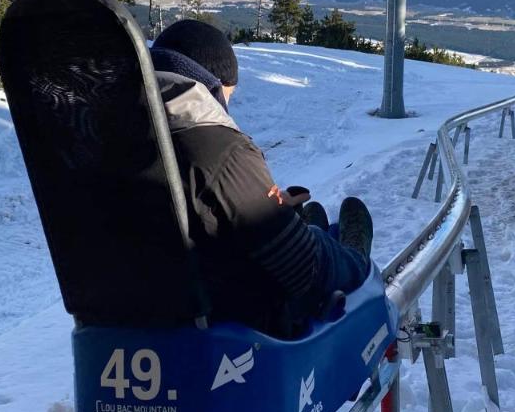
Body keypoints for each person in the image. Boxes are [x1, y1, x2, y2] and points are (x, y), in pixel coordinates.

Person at [148, 18, 374, 335]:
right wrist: (286, 228)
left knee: (302, 226)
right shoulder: (215, 146)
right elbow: (304, 269)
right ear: (211, 87)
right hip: (234, 329)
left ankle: (301, 226)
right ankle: (354, 252)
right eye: (228, 97)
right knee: (335, 256)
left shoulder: (101, 140)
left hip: (133, 324)